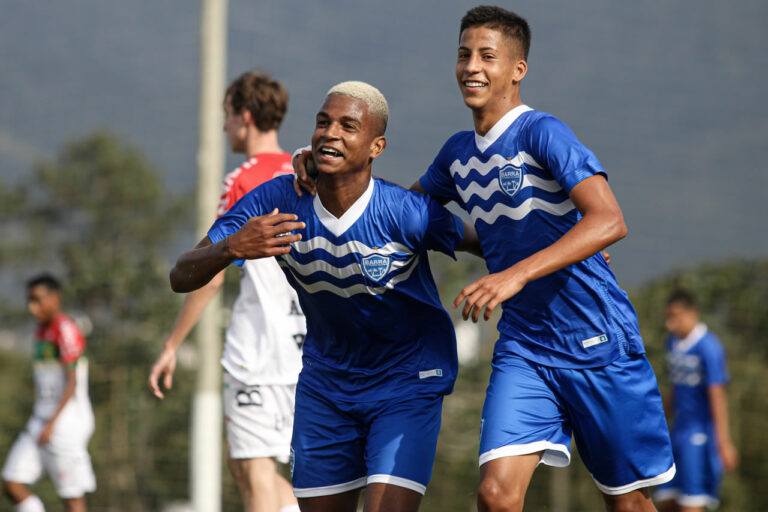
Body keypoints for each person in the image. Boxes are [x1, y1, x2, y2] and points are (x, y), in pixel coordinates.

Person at [298, 6, 677, 511]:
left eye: (486, 56)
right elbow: (394, 211)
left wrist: (512, 275)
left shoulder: (543, 134)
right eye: (463, 54)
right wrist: (324, 168)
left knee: (627, 503)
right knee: (495, 496)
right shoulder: (457, 154)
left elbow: (610, 221)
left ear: (517, 70)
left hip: (597, 339)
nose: (471, 66)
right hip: (525, 347)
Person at [169, 81, 480, 512]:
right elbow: (180, 275)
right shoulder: (276, 200)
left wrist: (567, 255)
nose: (330, 133)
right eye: (322, 122)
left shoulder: (405, 211)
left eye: (348, 126)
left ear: (376, 146)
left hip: (406, 383)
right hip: (327, 388)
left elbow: (486, 243)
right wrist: (231, 247)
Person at [147, 71, 304, 512]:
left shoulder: (243, 180)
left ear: (246, 117)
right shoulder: (307, 170)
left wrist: (171, 344)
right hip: (310, 349)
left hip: (259, 350)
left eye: (227, 115)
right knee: (260, 472)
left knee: (253, 474)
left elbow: (212, 273)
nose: (224, 126)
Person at [2, 274, 96, 512]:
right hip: (40, 420)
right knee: (12, 481)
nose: (33, 307)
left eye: (37, 300)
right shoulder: (41, 331)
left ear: (55, 298)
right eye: (29, 301)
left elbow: (72, 382)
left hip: (65, 423)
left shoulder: (65, 329)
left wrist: (53, 423)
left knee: (71, 497)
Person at [655, 290, 738, 511]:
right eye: (668, 317)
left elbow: (717, 395)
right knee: (665, 498)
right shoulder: (672, 343)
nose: (670, 323)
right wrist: (659, 422)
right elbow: (675, 386)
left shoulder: (709, 347)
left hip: (700, 433)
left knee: (691, 502)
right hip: (677, 430)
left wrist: (724, 442)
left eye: (675, 316)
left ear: (692, 312)